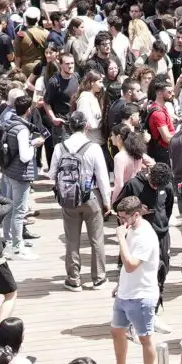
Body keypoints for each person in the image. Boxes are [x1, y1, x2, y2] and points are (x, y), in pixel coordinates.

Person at [108, 193, 161, 364]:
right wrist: (119, 284)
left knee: (145, 338)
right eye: (119, 217)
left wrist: (121, 238)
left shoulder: (145, 236)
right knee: (116, 331)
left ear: (136, 215)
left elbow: (131, 264)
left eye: (123, 218)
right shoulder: (130, 228)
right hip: (125, 291)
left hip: (141, 295)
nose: (121, 222)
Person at [53, 113, 110, 291]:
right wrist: (107, 201)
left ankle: (73, 278)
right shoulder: (93, 148)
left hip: (69, 198)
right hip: (91, 195)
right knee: (96, 239)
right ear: (86, 126)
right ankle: (99, 278)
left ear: (69, 126)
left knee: (72, 240)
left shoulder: (59, 147)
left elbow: (51, 173)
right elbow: (102, 177)